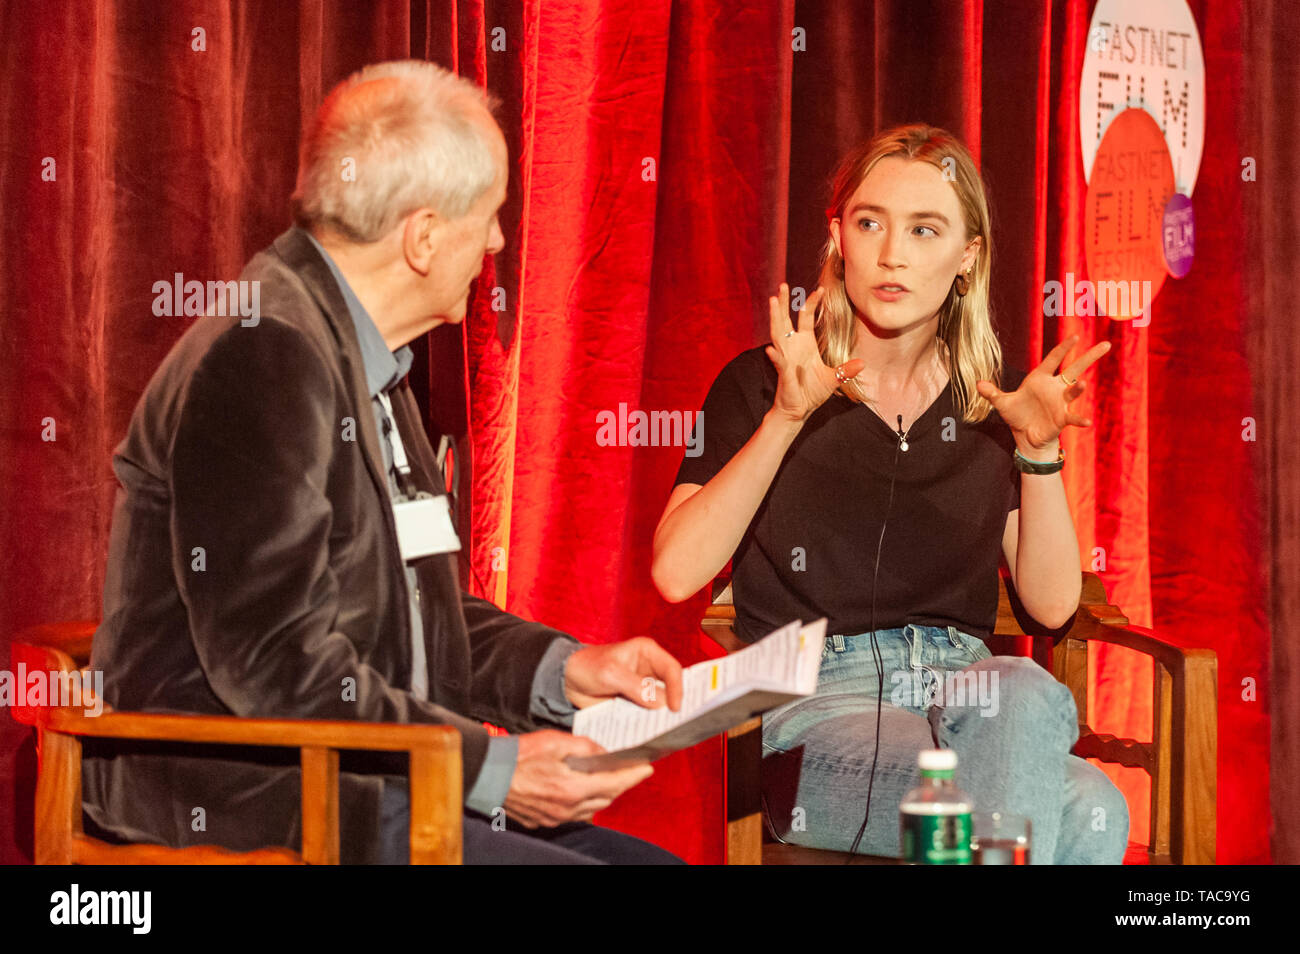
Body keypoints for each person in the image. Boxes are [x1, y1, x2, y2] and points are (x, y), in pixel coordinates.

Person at [82, 59, 685, 865]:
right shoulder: (262, 356)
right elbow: (272, 662)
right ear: (425, 236)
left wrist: (565, 669)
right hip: (261, 801)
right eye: (491, 216)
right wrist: (493, 769)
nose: (498, 241)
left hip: (371, 780)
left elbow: (414, 615)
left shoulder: (366, 352)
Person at [652, 124, 1128, 864]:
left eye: (924, 229)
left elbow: (1053, 605)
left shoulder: (988, 407)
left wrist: (1038, 452)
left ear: (967, 256)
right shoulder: (764, 382)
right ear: (838, 237)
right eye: (869, 222)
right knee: (1077, 809)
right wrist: (784, 420)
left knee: (1037, 722)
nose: (892, 253)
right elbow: (676, 572)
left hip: (974, 700)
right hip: (818, 710)